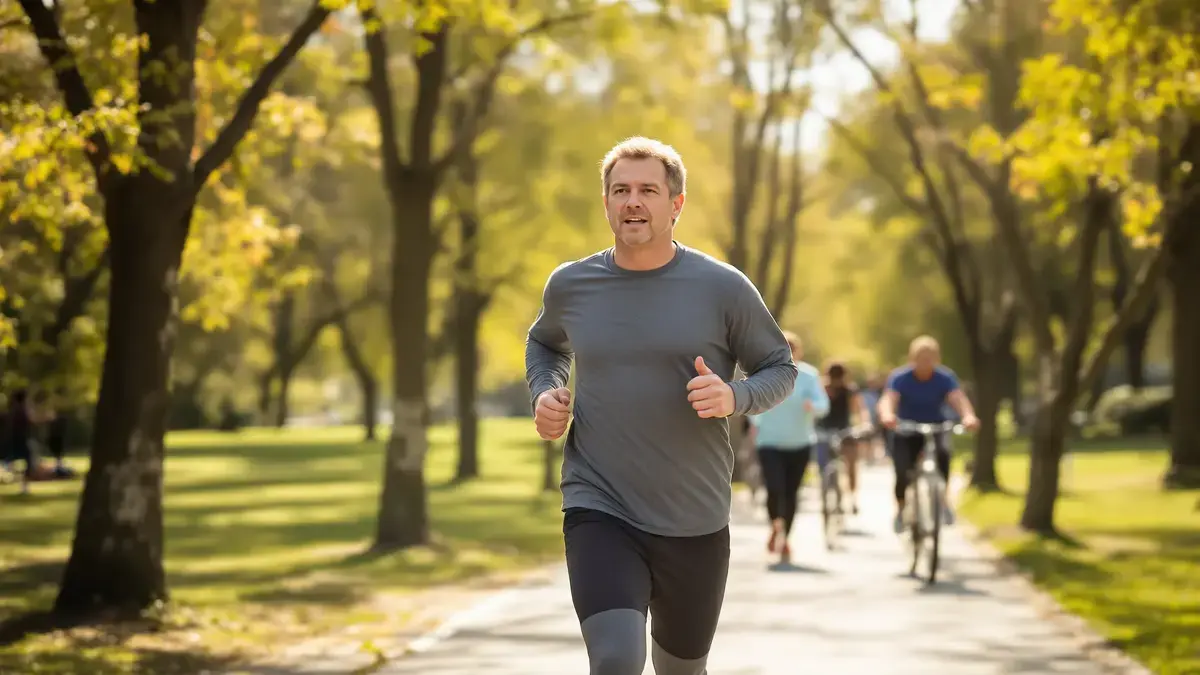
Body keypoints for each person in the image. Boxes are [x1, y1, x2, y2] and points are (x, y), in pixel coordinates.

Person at [525, 136, 798, 675]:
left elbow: (780, 368)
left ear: (676, 204)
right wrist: (545, 392)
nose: (632, 201)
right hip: (599, 504)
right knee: (615, 661)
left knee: (681, 670)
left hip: (692, 517)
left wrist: (733, 396)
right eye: (620, 190)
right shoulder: (572, 284)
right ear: (605, 203)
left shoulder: (722, 287)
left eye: (648, 190)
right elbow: (545, 344)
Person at [877, 336, 979, 533]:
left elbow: (957, 398)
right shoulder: (900, 377)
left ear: (937, 359)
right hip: (906, 428)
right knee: (902, 470)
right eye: (921, 358)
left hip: (936, 426)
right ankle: (900, 509)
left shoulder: (945, 377)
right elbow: (889, 399)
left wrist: (968, 416)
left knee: (943, 456)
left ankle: (943, 502)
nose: (925, 362)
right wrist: (887, 414)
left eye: (929, 358)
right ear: (912, 358)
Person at [746, 331, 829, 564]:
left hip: (799, 444)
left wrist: (813, 405)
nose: (788, 352)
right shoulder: (762, 373)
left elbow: (824, 405)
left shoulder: (809, 376)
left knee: (791, 493)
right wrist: (755, 423)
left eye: (792, 348)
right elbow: (753, 401)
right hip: (770, 442)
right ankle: (776, 525)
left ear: (798, 352)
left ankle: (785, 539)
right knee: (774, 489)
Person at [814, 361, 871, 514]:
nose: (836, 381)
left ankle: (852, 497)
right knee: (822, 466)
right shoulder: (821, 389)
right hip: (823, 431)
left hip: (844, 431)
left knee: (851, 464)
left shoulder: (849, 390)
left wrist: (864, 424)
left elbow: (859, 409)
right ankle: (825, 494)